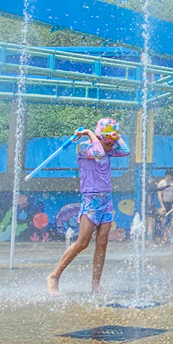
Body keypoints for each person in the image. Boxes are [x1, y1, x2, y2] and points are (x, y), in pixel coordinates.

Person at [47, 118, 129, 295]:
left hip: (106, 200)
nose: (110, 145)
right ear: (99, 136)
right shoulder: (84, 147)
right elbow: (98, 152)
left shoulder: (108, 149)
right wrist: (90, 133)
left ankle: (95, 285)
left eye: (112, 141)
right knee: (83, 242)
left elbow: (126, 150)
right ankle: (54, 276)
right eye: (108, 141)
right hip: (91, 199)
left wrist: (116, 135)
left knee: (102, 243)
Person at [154, 169, 173, 245]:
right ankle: (160, 238)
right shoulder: (161, 183)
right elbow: (159, 195)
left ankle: (168, 237)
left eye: (170, 175)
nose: (169, 177)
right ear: (165, 175)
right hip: (164, 203)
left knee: (171, 221)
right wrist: (162, 205)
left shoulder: (172, 183)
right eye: (167, 175)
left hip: (171, 203)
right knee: (162, 221)